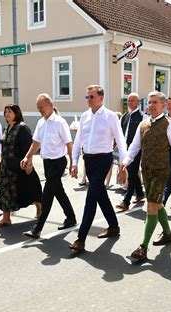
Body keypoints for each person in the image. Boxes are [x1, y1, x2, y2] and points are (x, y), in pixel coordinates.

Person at [119, 91, 171, 261]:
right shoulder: (143, 124)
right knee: (157, 204)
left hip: (162, 171)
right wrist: (126, 161)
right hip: (146, 170)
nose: (151, 105)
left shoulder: (170, 125)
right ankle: (168, 234)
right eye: (149, 102)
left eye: (155, 102)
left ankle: (143, 247)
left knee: (151, 206)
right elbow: (134, 146)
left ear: (163, 105)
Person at [68, 85, 127, 252]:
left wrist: (123, 164)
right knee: (101, 195)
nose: (88, 100)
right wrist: (74, 162)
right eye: (87, 97)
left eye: (91, 97)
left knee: (91, 197)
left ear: (101, 98)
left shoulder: (110, 116)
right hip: (89, 160)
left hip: (103, 159)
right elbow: (79, 140)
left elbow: (120, 140)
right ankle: (114, 226)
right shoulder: (85, 116)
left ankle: (81, 239)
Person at [22, 94, 78, 238]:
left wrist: (73, 163)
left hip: (58, 162)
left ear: (50, 105)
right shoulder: (41, 122)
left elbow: (69, 144)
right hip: (47, 163)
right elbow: (36, 143)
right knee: (58, 191)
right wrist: (27, 157)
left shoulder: (60, 122)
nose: (39, 110)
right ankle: (71, 218)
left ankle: (37, 228)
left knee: (47, 195)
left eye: (41, 107)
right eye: (38, 108)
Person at [0, 105, 42, 228]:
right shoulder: (6, 127)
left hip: (20, 165)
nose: (7, 114)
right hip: (5, 166)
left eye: (10, 111)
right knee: (4, 191)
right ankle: (6, 218)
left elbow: (29, 147)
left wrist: (29, 163)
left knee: (27, 189)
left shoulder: (22, 128)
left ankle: (39, 206)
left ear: (17, 113)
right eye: (5, 112)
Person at [116, 93, 145, 211]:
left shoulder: (143, 117)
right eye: (128, 100)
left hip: (137, 150)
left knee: (132, 172)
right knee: (131, 172)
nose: (130, 102)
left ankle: (126, 201)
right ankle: (139, 192)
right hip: (125, 149)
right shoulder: (124, 116)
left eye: (132, 100)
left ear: (138, 102)